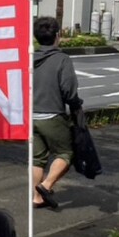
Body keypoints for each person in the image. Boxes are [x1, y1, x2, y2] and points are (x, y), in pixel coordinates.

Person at [31, 16, 80, 211]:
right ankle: (46, 186)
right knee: (65, 153)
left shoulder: (30, 58)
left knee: (37, 158)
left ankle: (37, 198)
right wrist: (75, 106)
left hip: (31, 115)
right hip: (52, 115)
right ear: (57, 36)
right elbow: (69, 90)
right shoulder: (62, 59)